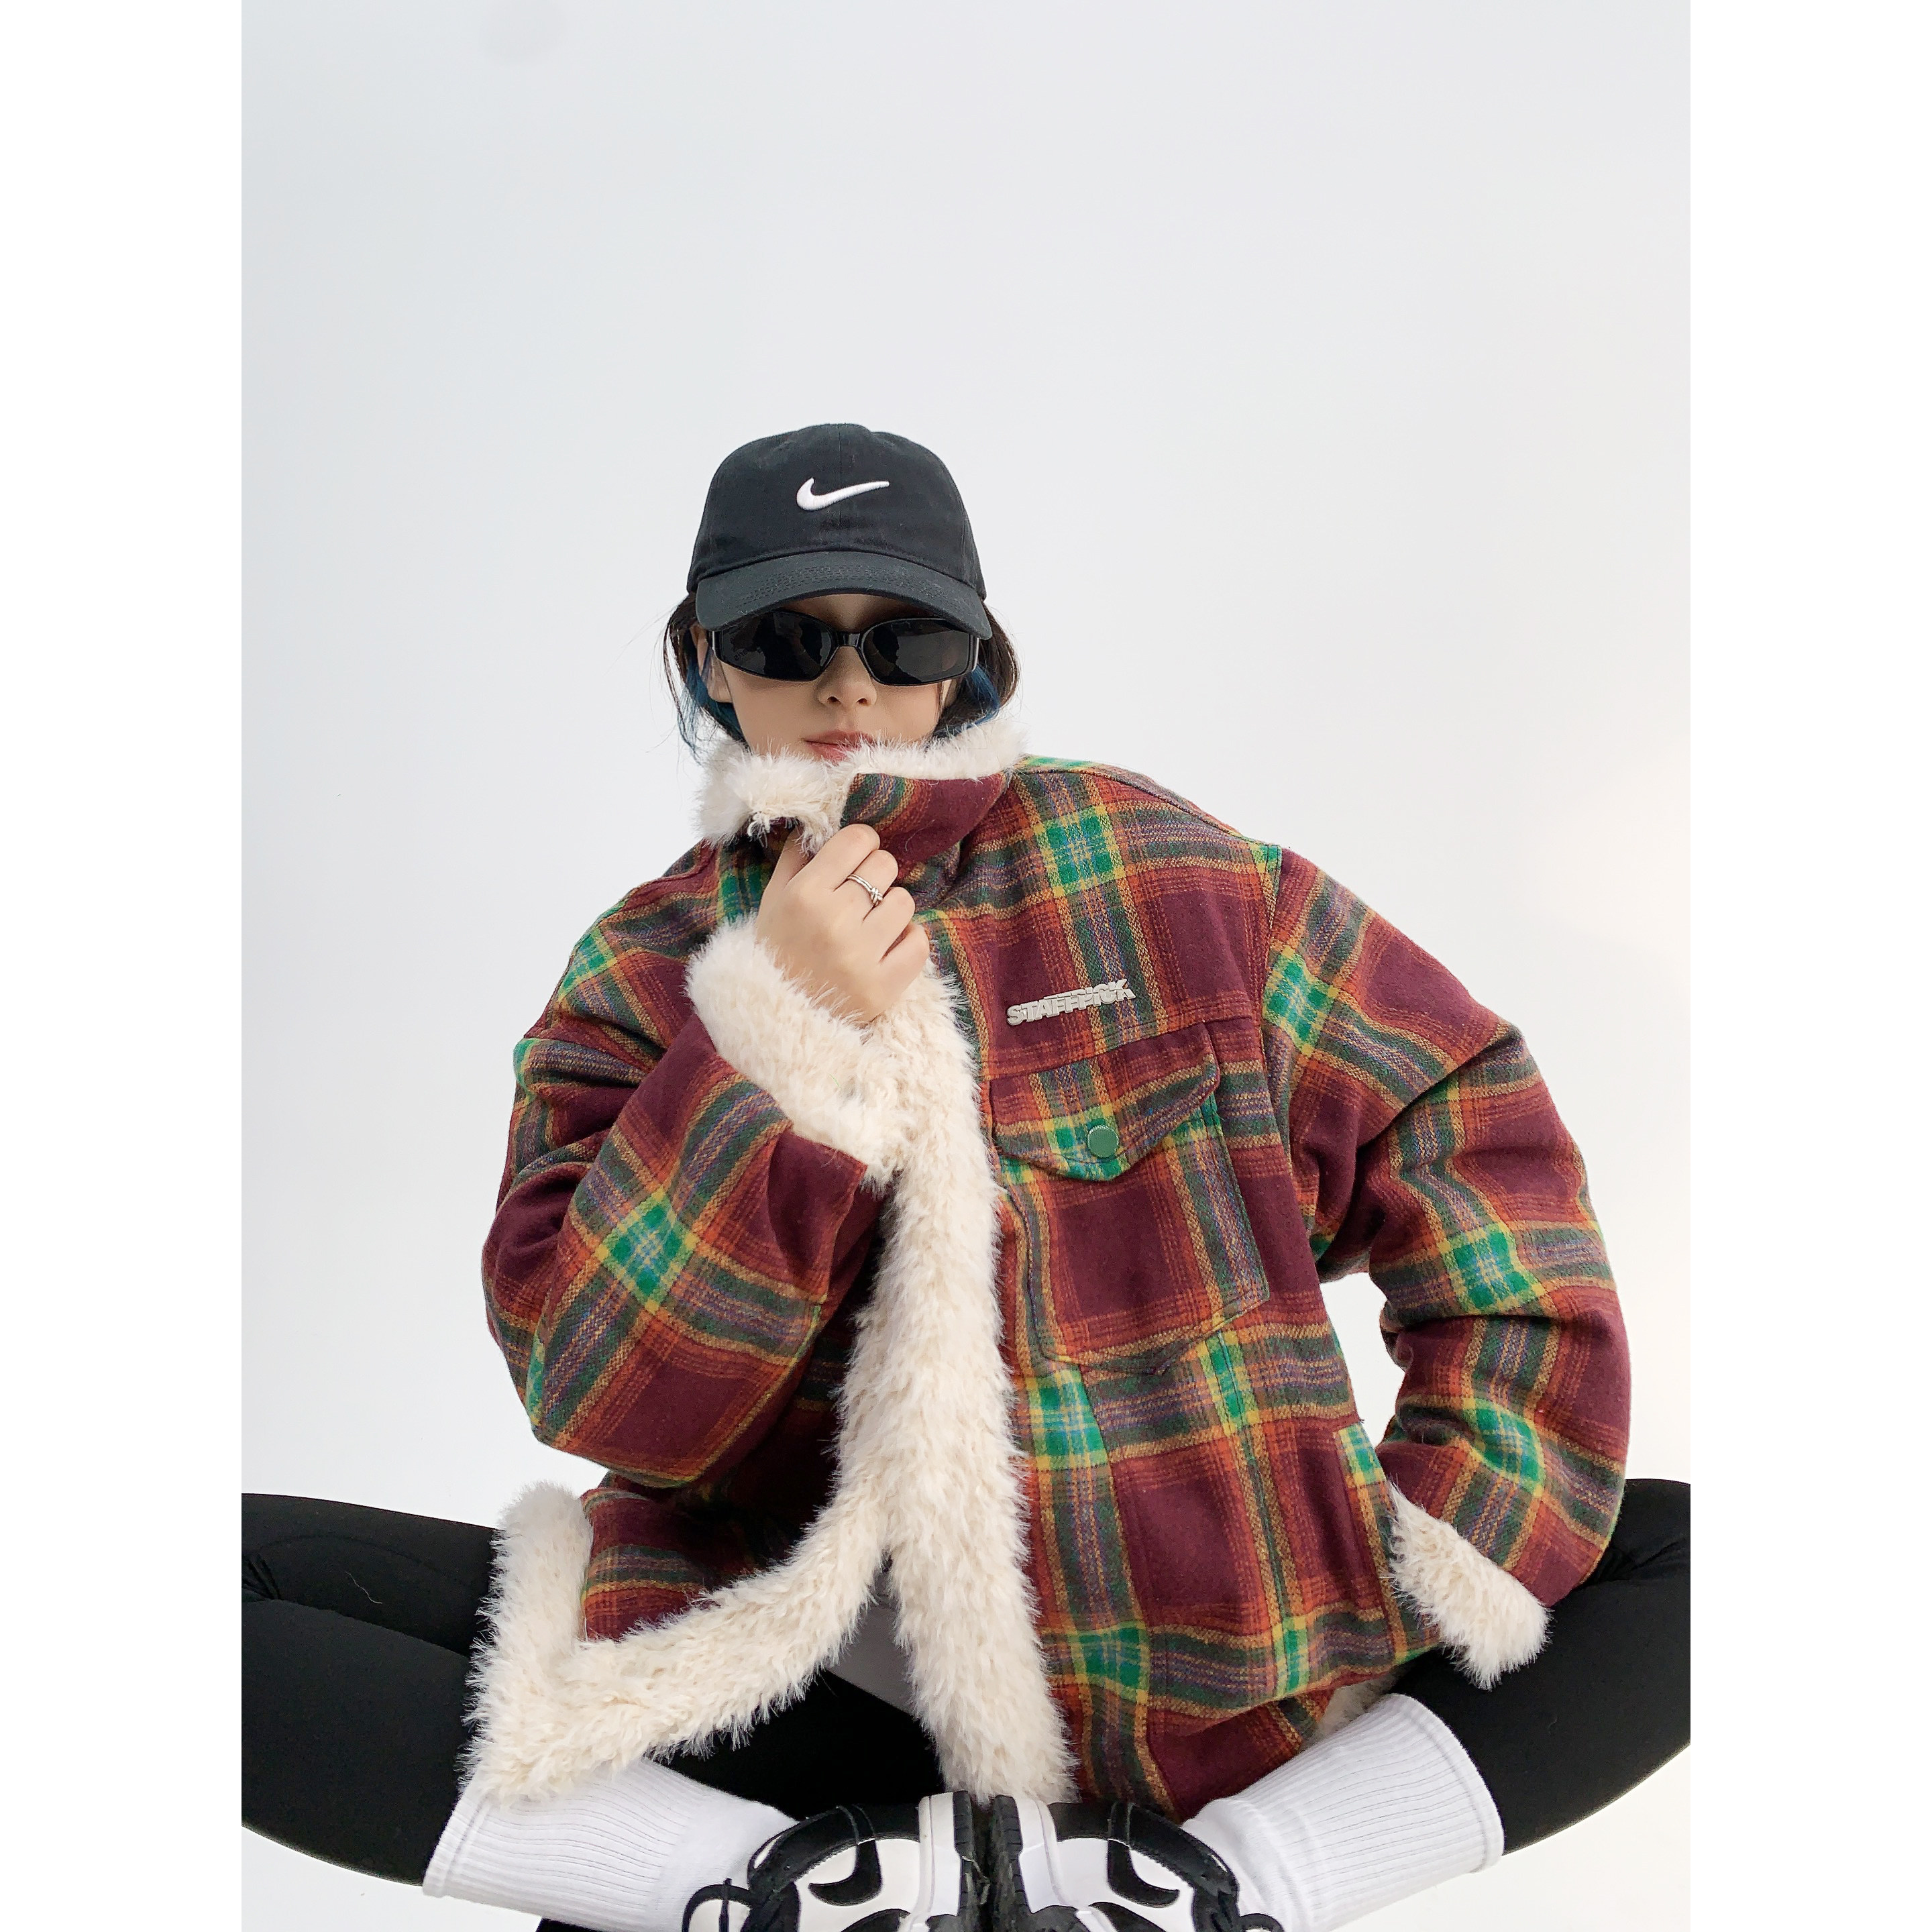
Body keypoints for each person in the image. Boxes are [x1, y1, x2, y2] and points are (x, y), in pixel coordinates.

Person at [244, 423, 1689, 1932]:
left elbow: (1469, 1130)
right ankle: (774, 1893)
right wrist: (773, 1037)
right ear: (706, 659)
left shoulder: (1172, 880)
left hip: (1192, 1679)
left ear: (975, 660)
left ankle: (1213, 1888)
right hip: (806, 1696)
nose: (848, 687)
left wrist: (1438, 1535)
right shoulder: (642, 970)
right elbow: (606, 1394)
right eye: (785, 637)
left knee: (1680, 1554)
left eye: (904, 637)